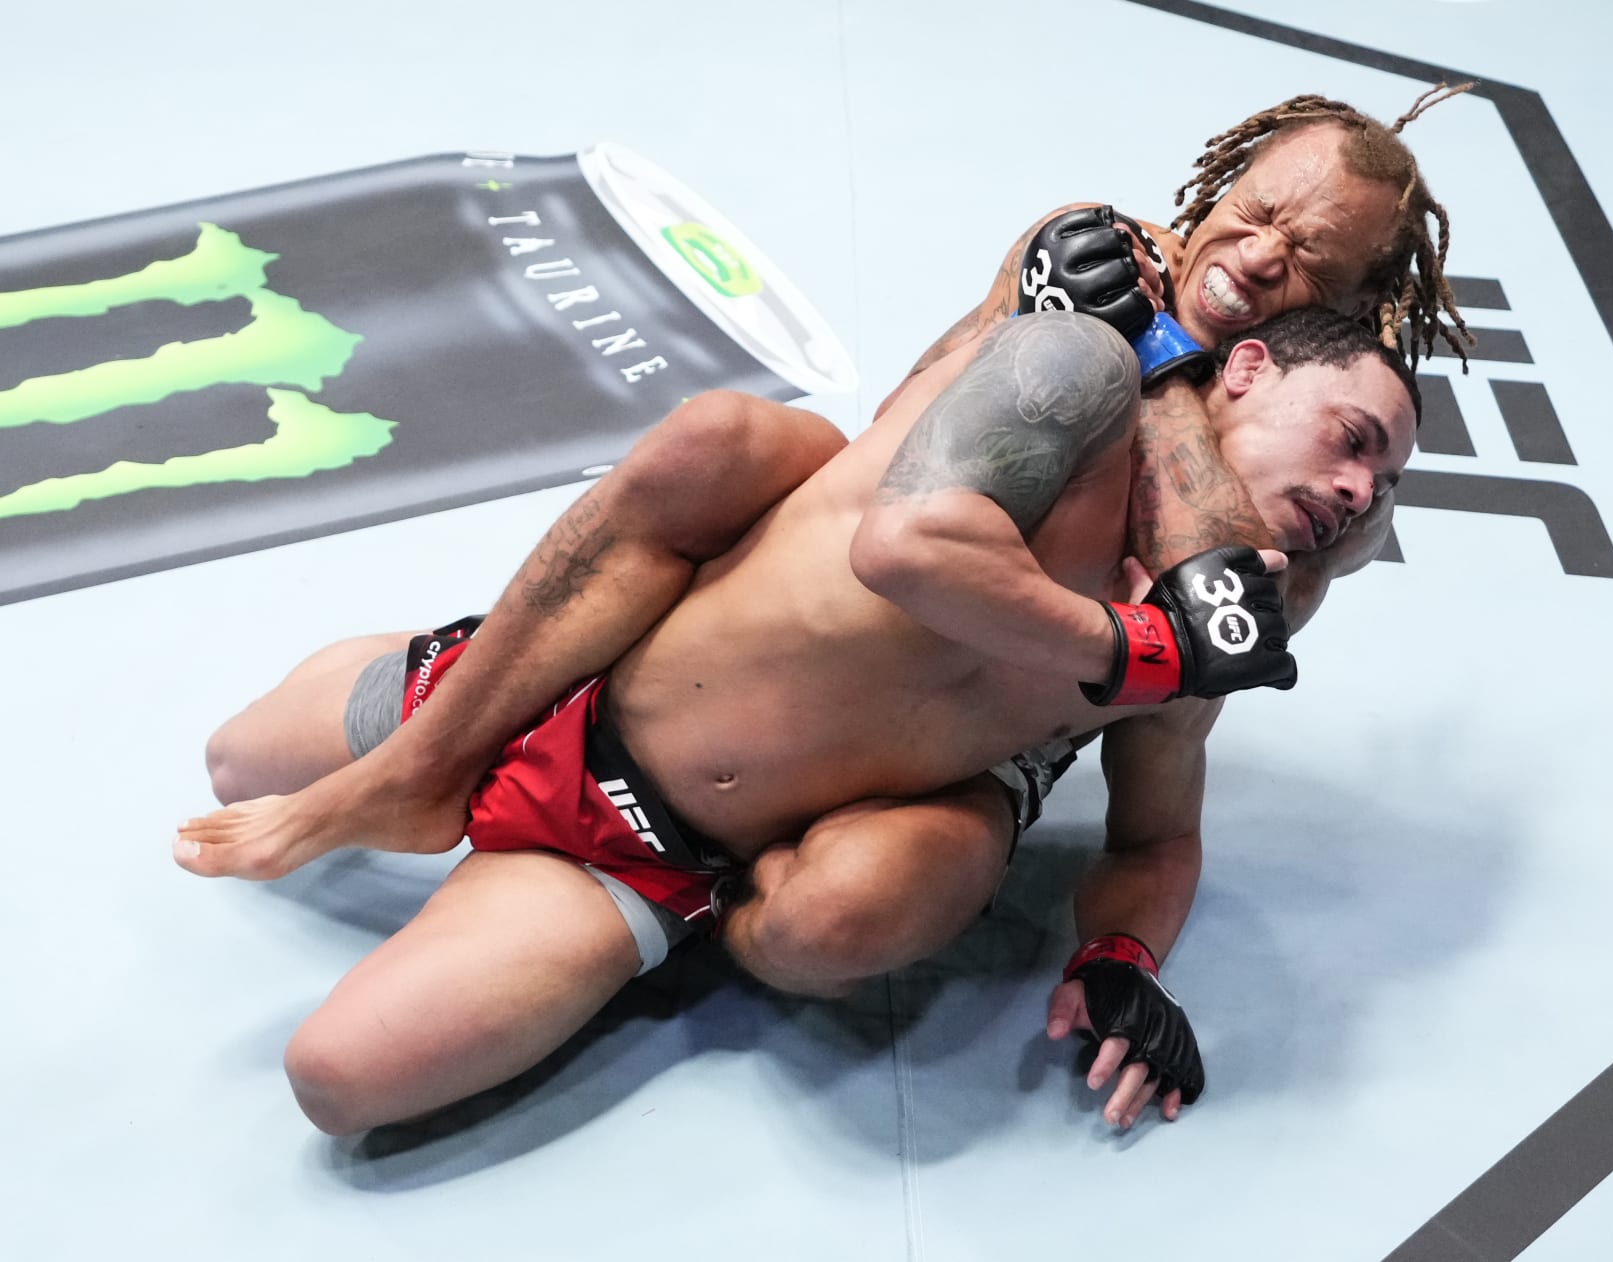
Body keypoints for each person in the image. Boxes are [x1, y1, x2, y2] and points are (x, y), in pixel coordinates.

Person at [180, 87, 1467, 1133]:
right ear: (1219, 189)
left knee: (342, 1076)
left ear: (1345, 312)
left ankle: (685, 895)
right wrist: (1125, 609)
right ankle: (441, 738)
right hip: (677, 646)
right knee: (243, 753)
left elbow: (1202, 678)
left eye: (1310, 260)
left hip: (704, 830)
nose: (1259, 257)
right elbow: (918, 466)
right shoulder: (1087, 272)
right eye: (1256, 213)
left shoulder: (1290, 534)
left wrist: (1120, 954)